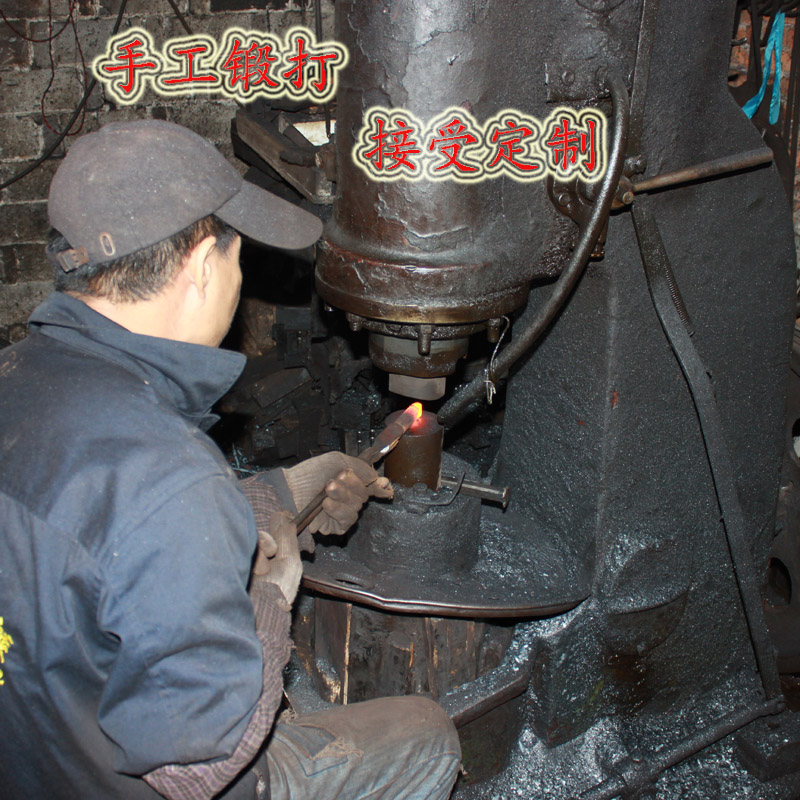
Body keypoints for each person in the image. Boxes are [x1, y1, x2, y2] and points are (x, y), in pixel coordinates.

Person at [0, 120, 461, 799]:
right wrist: (271, 601)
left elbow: (100, 538)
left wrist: (282, 492)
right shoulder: (170, 477)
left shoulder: (17, 377)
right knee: (427, 733)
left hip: (41, 750)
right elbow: (197, 769)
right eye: (238, 258)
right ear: (201, 264)